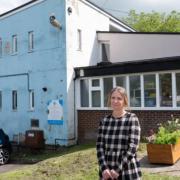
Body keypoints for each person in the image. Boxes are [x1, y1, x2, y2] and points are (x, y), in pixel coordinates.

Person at [96, 86, 142, 180]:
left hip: (127, 170)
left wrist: (118, 170)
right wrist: (104, 168)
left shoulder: (132, 119)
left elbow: (133, 147)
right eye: (113, 98)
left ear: (124, 101)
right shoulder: (104, 121)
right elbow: (100, 146)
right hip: (107, 172)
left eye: (119, 98)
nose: (115, 101)